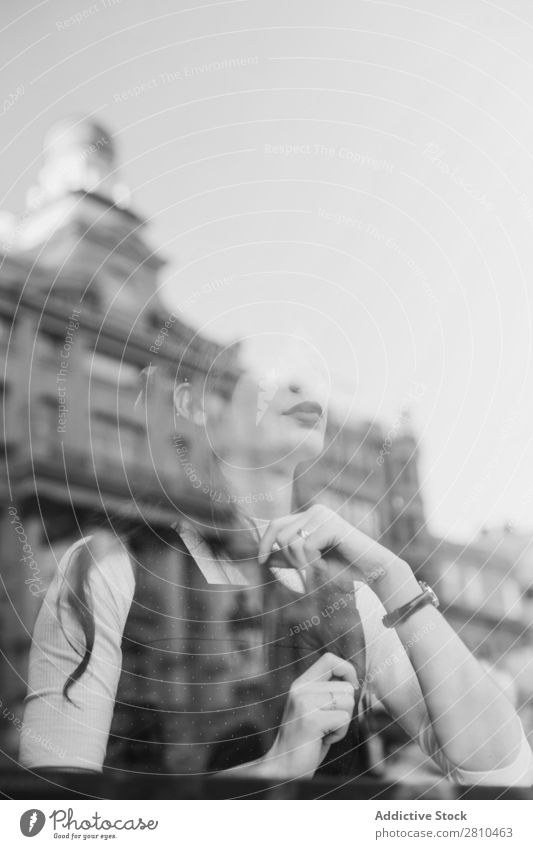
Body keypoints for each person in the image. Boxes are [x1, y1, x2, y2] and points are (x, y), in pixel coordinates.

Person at [19, 333, 533, 786]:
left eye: (313, 372)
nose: (303, 386)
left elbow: (500, 770)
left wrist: (394, 576)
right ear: (196, 405)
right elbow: (53, 819)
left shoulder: (352, 599)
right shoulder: (112, 568)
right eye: (270, 364)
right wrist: (276, 771)